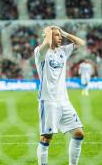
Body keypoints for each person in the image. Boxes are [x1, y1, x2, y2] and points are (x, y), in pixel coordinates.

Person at [34, 25, 86, 165]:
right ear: (49, 36)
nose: (60, 37)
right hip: (48, 101)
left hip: (64, 101)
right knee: (46, 138)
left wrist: (65, 32)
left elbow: (81, 43)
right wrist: (49, 31)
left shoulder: (63, 51)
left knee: (79, 133)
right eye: (57, 35)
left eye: (60, 35)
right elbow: (46, 44)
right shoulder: (40, 52)